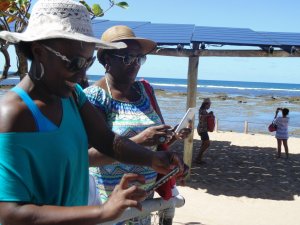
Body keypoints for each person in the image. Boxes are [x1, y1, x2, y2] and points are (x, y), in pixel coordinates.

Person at [0, 1, 186, 225]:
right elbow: (10, 214)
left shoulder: (73, 95)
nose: (81, 75)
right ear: (39, 52)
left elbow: (106, 140)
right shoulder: (13, 114)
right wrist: (103, 212)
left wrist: (152, 158)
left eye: (87, 63)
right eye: (75, 63)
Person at [84, 25, 191, 225]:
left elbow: (158, 142)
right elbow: (86, 157)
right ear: (107, 60)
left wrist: (172, 155)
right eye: (127, 58)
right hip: (109, 201)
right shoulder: (95, 97)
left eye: (139, 58)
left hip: (143, 198)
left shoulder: (144, 90)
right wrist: (140, 140)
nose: (135, 64)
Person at [195, 98, 213, 164]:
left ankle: (199, 159)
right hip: (202, 129)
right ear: (206, 104)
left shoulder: (204, 110)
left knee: (204, 144)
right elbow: (201, 117)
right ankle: (198, 158)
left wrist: (209, 114)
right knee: (207, 143)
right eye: (209, 105)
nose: (209, 106)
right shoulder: (202, 110)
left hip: (203, 129)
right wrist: (209, 115)